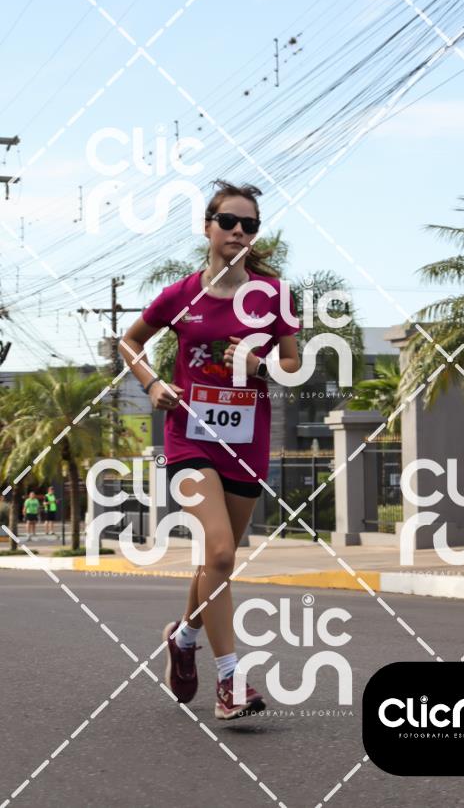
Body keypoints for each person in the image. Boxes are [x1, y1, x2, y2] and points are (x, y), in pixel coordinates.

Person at [120, 180, 300, 720]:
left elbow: (293, 364)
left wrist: (260, 364)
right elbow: (129, 341)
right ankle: (229, 683)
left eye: (250, 225)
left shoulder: (273, 296)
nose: (239, 232)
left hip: (246, 444)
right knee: (220, 553)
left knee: (213, 563)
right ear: (208, 227)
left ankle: (184, 637)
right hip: (189, 438)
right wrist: (152, 383)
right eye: (228, 222)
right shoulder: (180, 295)